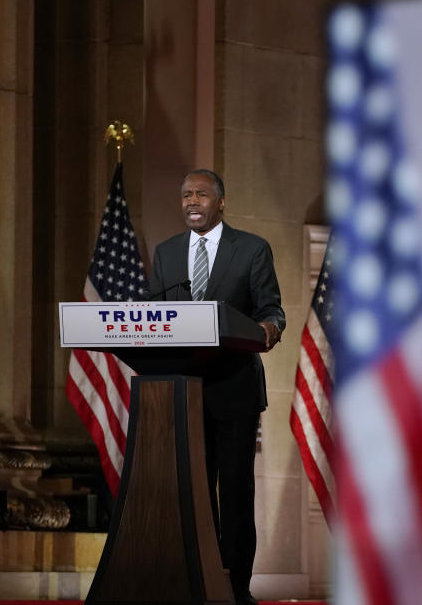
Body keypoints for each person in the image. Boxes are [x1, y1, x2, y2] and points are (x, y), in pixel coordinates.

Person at [149, 169, 285, 605]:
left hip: (234, 390)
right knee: (193, 491)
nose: (192, 201)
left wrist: (269, 328)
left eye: (201, 194)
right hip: (182, 391)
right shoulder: (166, 253)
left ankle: (235, 587)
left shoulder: (251, 249)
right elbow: (156, 316)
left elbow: (271, 311)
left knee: (235, 490)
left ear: (220, 202)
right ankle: (195, 580)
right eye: (186, 194)